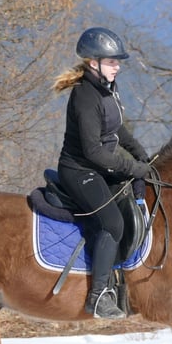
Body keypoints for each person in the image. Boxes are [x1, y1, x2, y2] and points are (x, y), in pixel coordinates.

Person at [53, 27, 151, 319]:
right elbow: (93, 151)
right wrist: (131, 167)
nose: (117, 66)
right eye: (112, 62)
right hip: (79, 170)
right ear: (93, 63)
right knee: (113, 223)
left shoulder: (107, 89)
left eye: (118, 62)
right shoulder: (85, 96)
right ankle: (97, 297)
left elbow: (116, 126)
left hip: (101, 166)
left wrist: (141, 154)